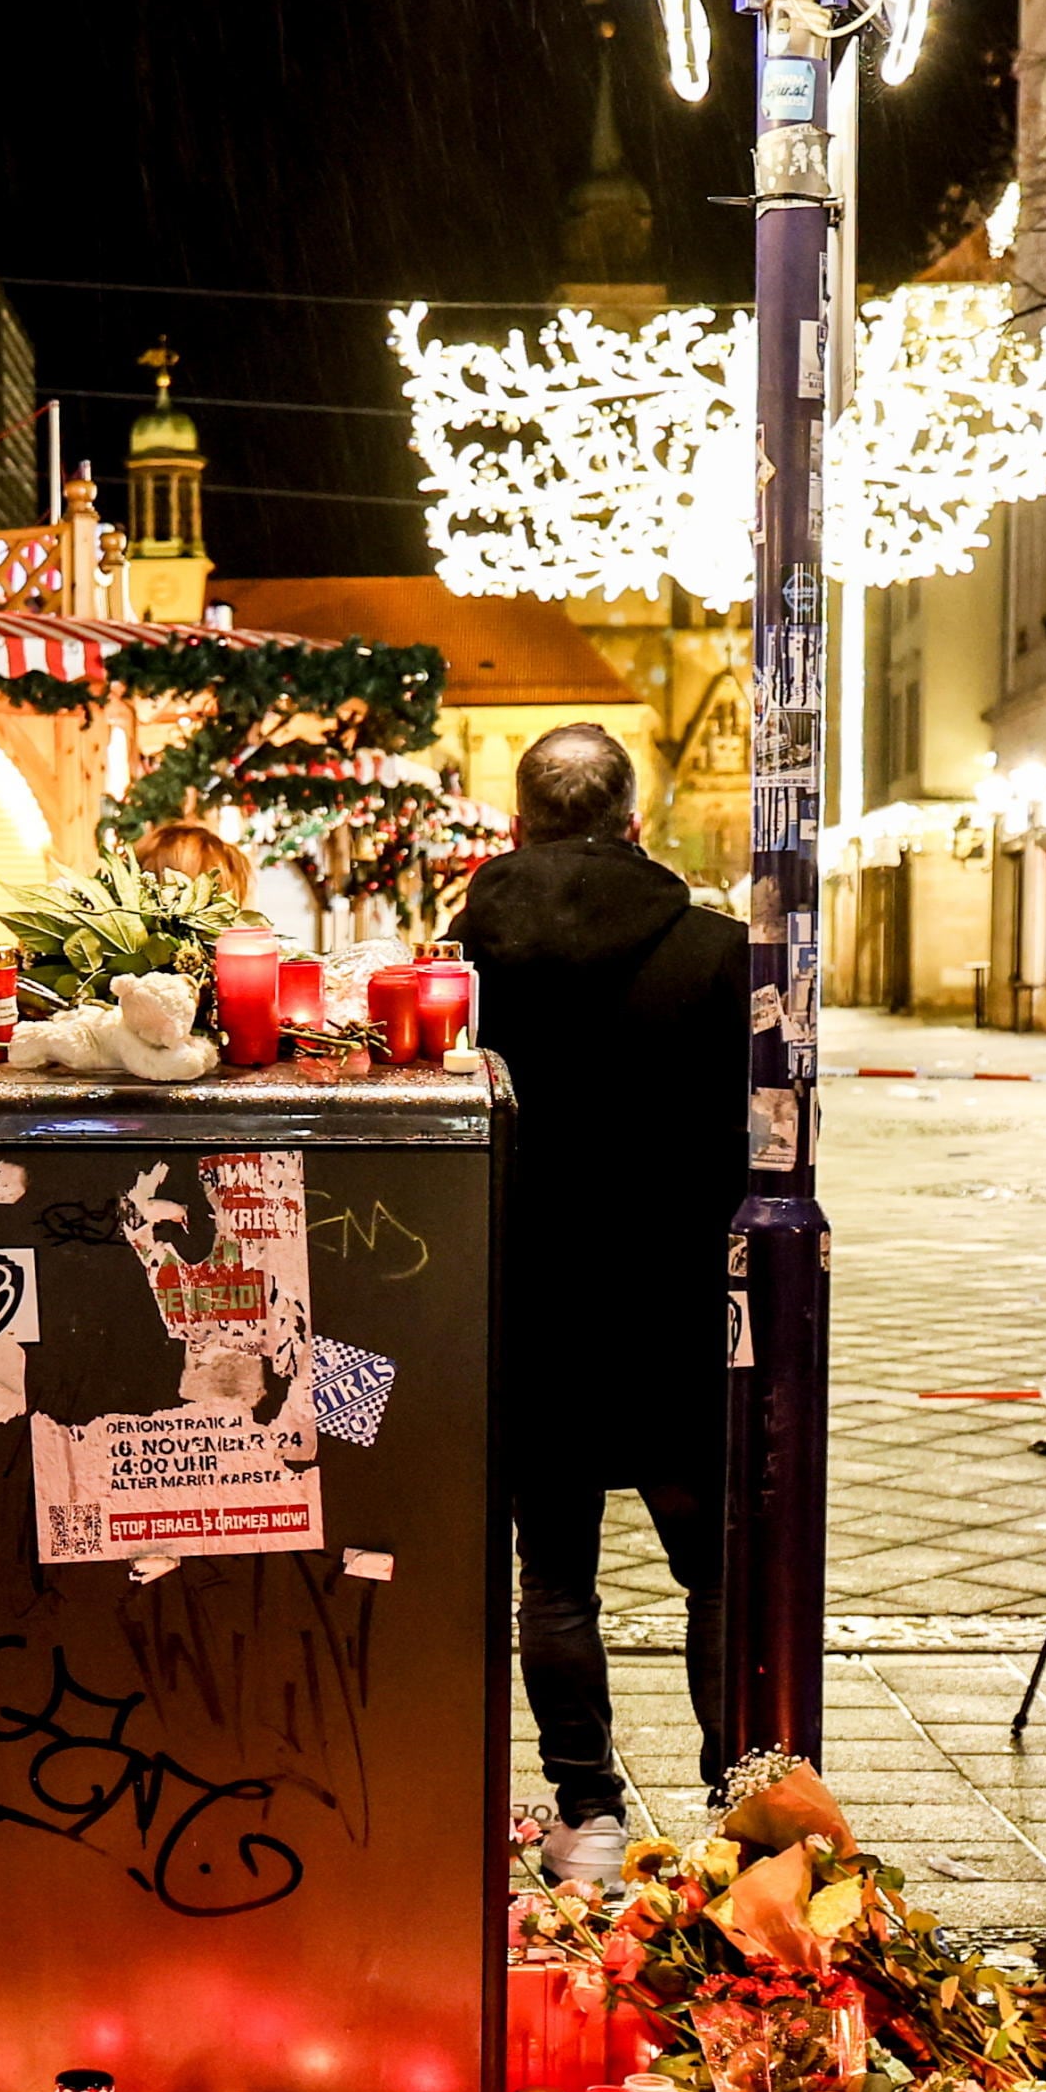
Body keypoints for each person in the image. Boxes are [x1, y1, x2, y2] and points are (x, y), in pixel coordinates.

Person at [455, 721, 739, 1881]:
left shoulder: (460, 959)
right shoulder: (718, 955)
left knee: (555, 1574)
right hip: (672, 1311)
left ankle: (587, 1813)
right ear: (632, 823)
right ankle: (738, 1803)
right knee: (714, 1567)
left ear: (515, 825)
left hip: (526, 1309)